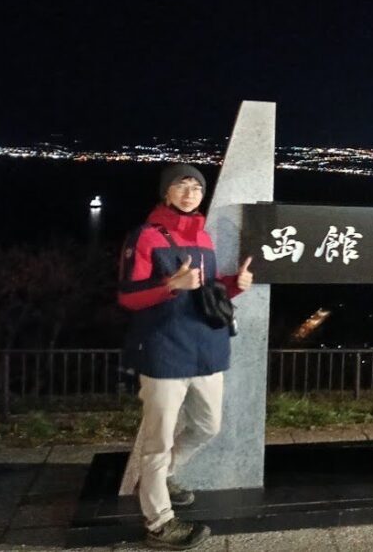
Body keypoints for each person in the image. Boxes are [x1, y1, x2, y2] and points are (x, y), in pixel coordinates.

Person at [118, 164, 254, 550]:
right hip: (163, 349)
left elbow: (207, 290)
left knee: (208, 426)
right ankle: (159, 522)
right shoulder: (145, 236)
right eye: (182, 185)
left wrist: (234, 284)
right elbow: (128, 296)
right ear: (166, 192)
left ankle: (161, 477)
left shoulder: (203, 236)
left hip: (206, 347)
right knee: (157, 441)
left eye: (197, 187)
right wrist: (170, 285)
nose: (190, 192)